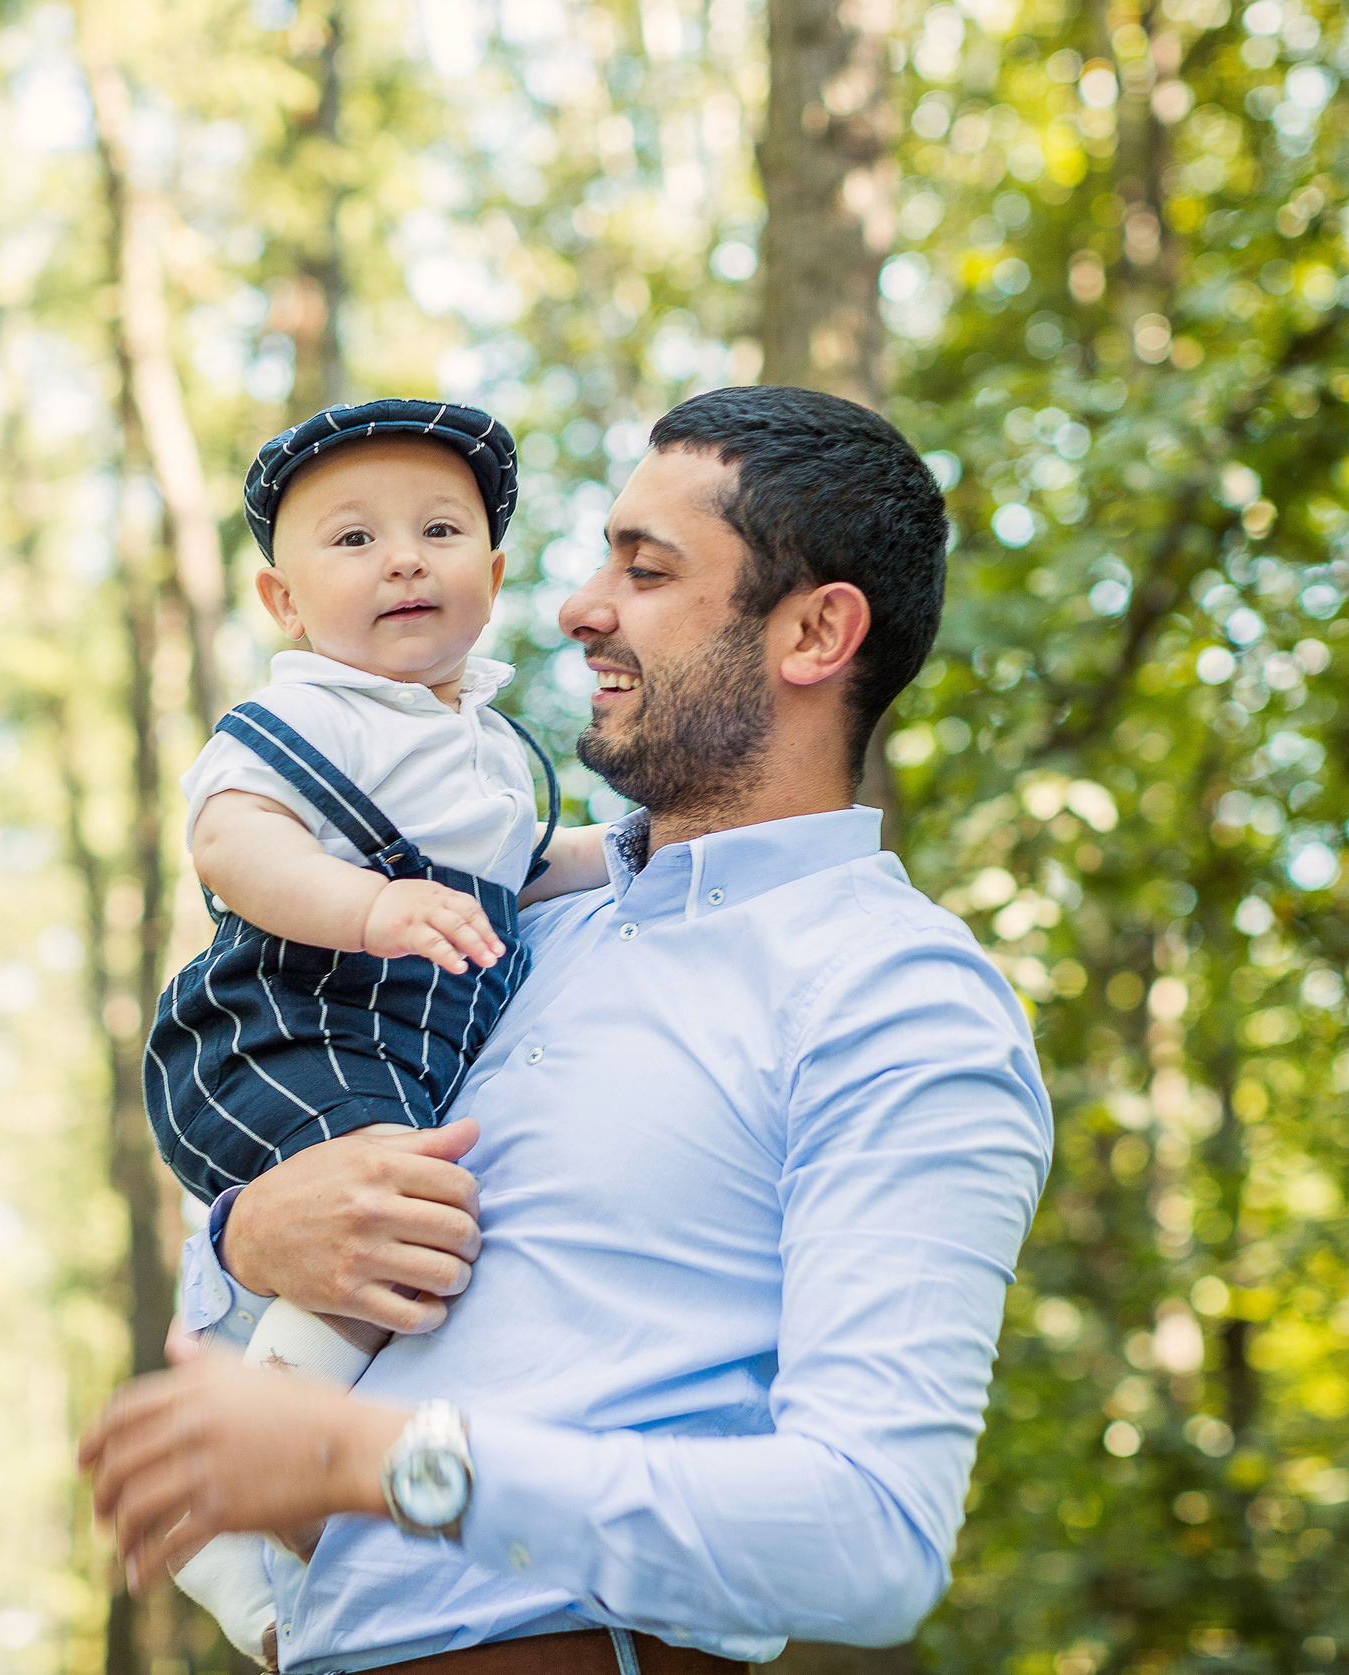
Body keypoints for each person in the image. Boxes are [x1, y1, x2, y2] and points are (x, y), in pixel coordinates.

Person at [86, 385, 1054, 1675]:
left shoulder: (895, 995)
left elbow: (869, 1539)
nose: (576, 605)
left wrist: (368, 1459)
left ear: (816, 632)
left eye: (643, 571)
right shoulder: (503, 929)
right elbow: (290, 1212)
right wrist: (249, 1233)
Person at [148, 398, 609, 1661]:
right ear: (284, 603)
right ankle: (254, 1440)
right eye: (351, 541)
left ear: (494, 574)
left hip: (402, 1051)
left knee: (402, 1232)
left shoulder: (490, 746)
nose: (403, 557)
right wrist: (367, 905)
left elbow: (523, 870)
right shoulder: (314, 715)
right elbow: (231, 843)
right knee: (392, 1230)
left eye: (438, 529)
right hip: (290, 1025)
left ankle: (237, 1545)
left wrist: (628, 856)